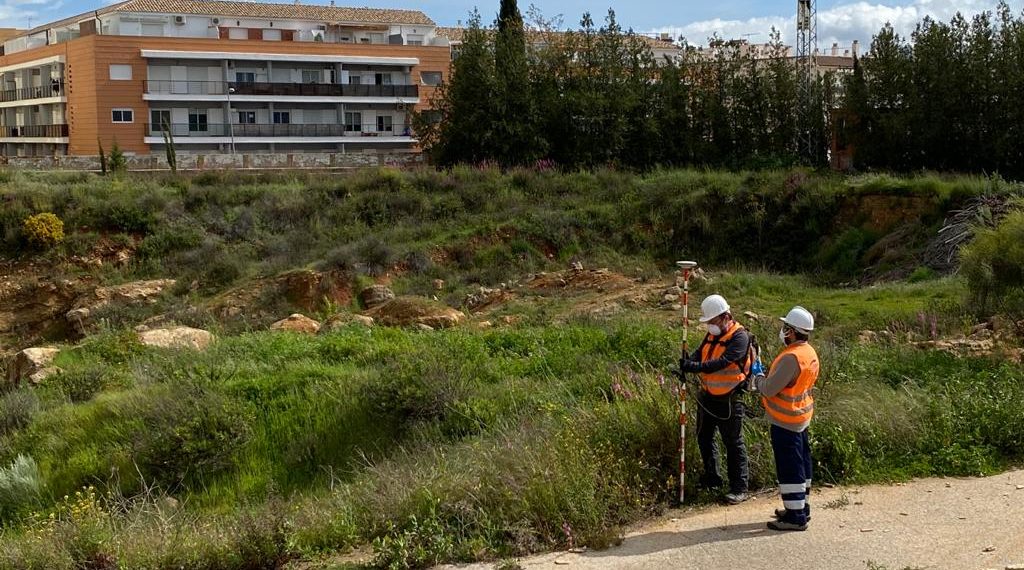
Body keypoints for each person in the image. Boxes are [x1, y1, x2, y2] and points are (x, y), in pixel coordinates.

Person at [679, 294, 753, 505]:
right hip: (708, 396)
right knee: (704, 438)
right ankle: (713, 479)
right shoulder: (712, 336)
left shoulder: (740, 337)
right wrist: (687, 363)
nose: (710, 326)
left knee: (733, 442)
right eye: (708, 322)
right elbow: (700, 353)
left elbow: (723, 362)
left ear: (726, 316)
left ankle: (739, 487)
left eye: (712, 321)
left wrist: (696, 368)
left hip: (730, 399)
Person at [752, 306, 820, 531]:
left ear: (792, 332)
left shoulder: (791, 357)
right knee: (802, 462)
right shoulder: (808, 352)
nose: (782, 332)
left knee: (789, 466)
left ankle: (795, 517)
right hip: (801, 416)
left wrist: (758, 377)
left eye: (785, 328)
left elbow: (770, 389)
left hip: (786, 420)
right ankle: (801, 507)